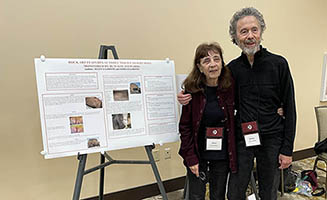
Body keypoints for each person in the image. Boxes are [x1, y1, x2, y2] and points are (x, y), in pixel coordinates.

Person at [178, 7, 296, 200]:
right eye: (244, 31)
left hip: (272, 139)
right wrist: (185, 94)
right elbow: (208, 86)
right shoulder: (231, 70)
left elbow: (290, 108)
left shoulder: (279, 64)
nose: (250, 36)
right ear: (235, 37)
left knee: (269, 192)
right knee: (234, 193)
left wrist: (287, 149)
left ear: (261, 32)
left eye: (254, 30)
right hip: (242, 140)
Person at [179, 42, 237, 200]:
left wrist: (277, 109)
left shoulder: (230, 88)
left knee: (218, 195)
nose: (213, 65)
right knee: (196, 195)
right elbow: (185, 128)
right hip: (199, 154)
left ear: (222, 63)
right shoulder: (192, 91)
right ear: (199, 67)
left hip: (223, 155)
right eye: (206, 61)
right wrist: (190, 158)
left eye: (216, 59)